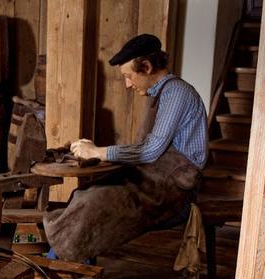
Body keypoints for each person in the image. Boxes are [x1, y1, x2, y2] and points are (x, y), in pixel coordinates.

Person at [43, 33, 208, 262]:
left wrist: (98, 152)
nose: (128, 84)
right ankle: (72, 260)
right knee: (84, 193)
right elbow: (147, 150)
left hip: (175, 188)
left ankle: (57, 261)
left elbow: (150, 151)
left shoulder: (176, 92)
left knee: (96, 202)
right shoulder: (158, 93)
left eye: (129, 76)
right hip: (156, 176)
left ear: (147, 67)